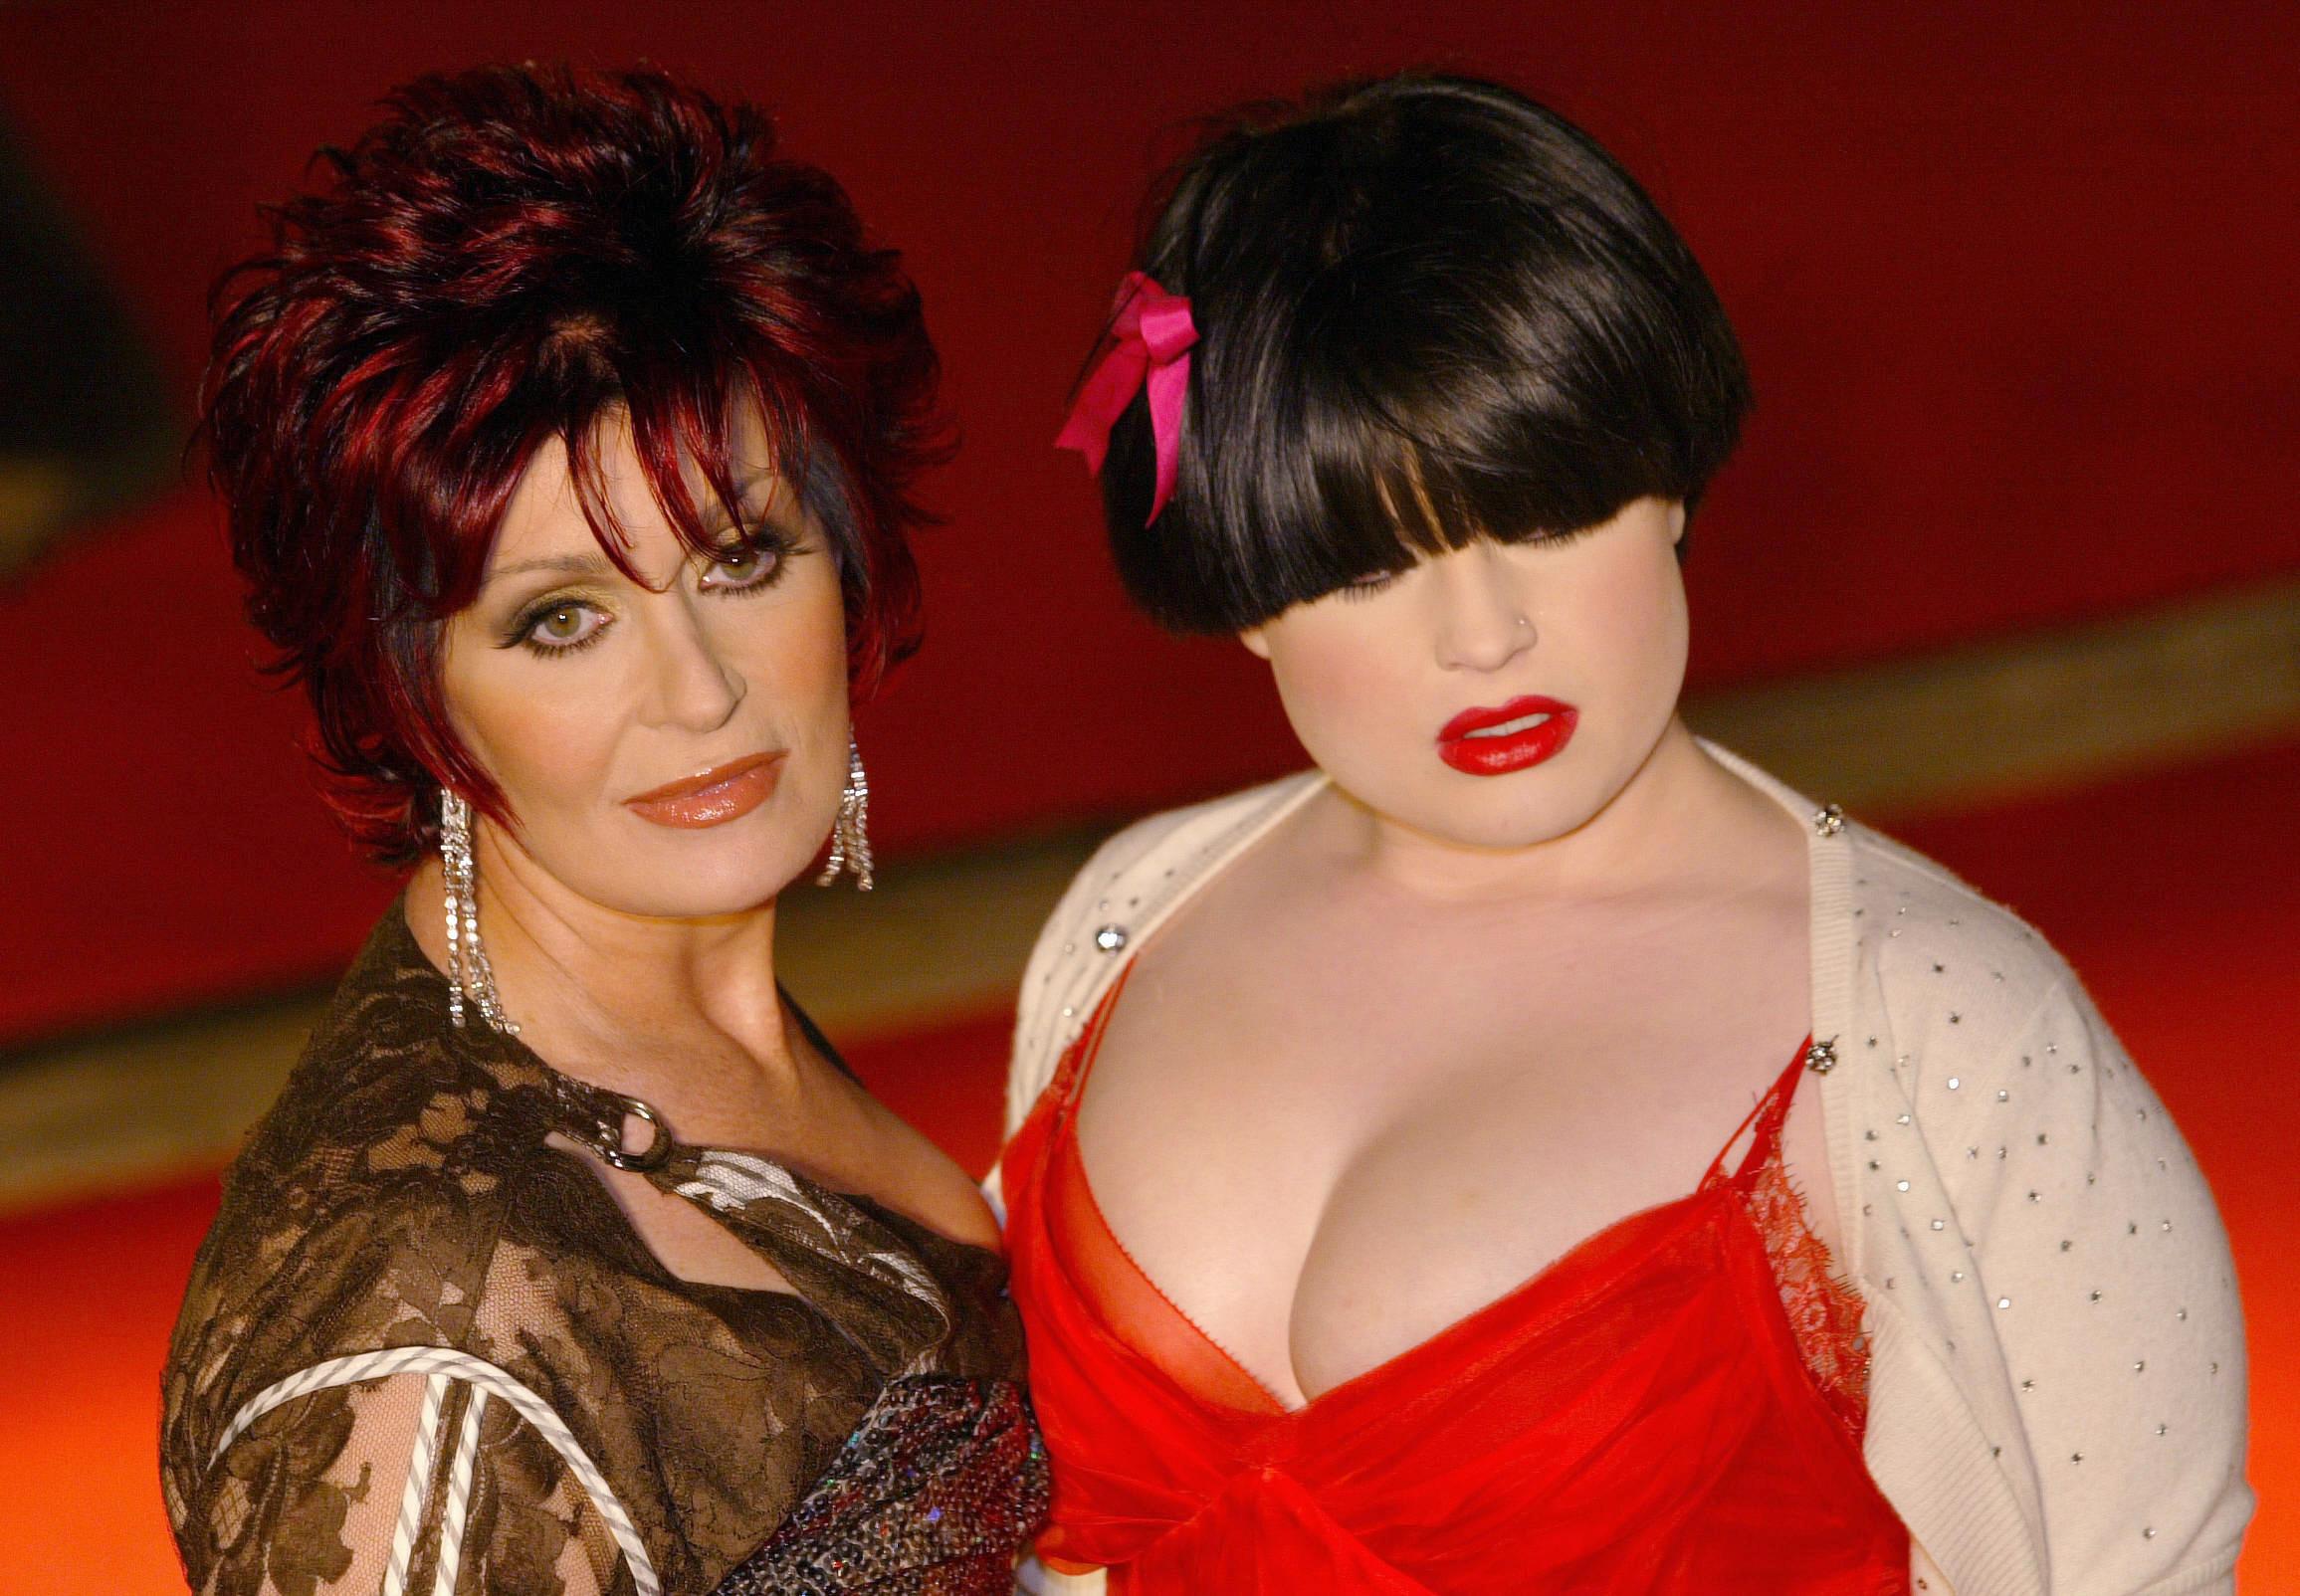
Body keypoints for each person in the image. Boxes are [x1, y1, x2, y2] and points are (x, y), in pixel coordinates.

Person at [995, 73, 2249, 1595]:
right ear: (1248, 595)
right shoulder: (1140, 908)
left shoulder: (1948, 1028)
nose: (1483, 636)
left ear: (1666, 488)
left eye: (1540, 518)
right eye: (1370, 566)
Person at [160, 64, 1044, 1596]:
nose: (700, 694)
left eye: (740, 557)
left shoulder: (666, 1002)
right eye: (560, 619)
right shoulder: (428, 1341)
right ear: (404, 684)